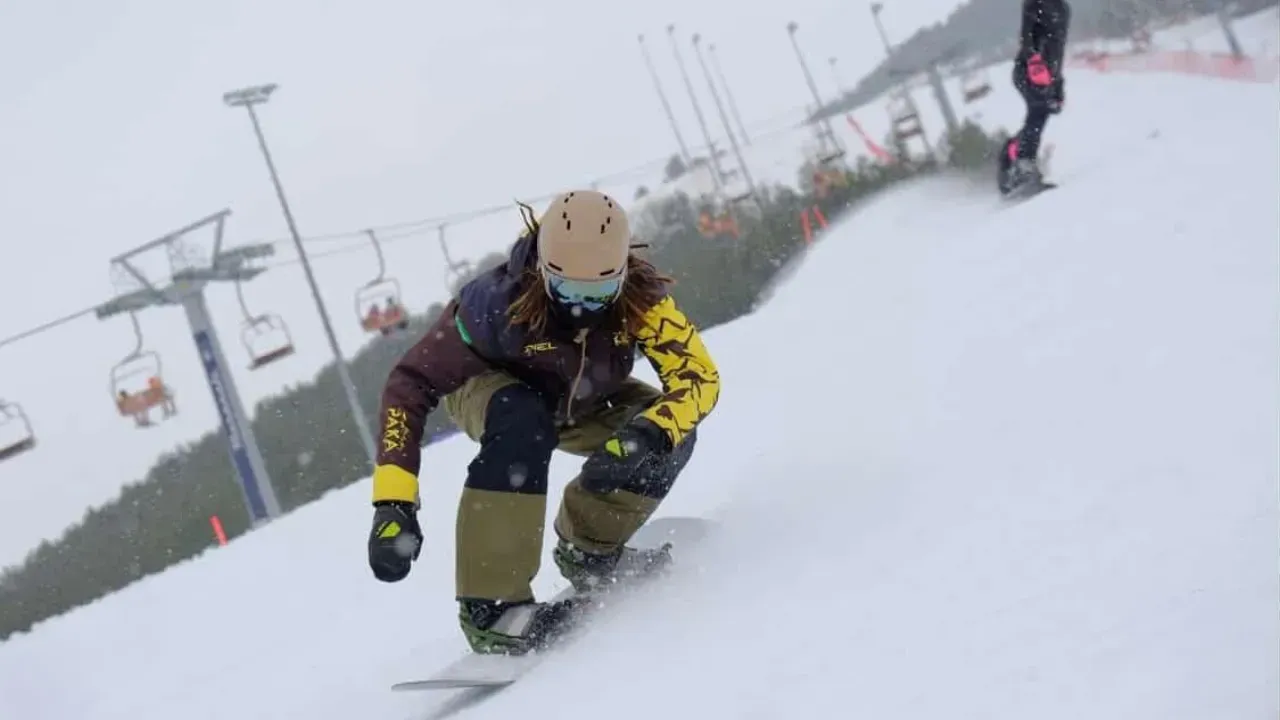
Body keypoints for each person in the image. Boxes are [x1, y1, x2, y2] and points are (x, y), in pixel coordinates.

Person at [365, 189, 721, 655]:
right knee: (523, 419)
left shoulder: (640, 301)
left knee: (670, 432)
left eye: (598, 294)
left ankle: (590, 547)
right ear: (544, 269)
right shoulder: (495, 303)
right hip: (492, 391)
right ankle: (491, 607)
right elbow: (410, 383)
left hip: (583, 396)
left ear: (621, 275)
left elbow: (697, 377)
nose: (580, 307)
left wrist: (647, 433)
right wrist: (393, 502)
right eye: (566, 290)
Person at [1000, 0, 1072, 195]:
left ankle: (1011, 156)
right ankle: (1022, 165)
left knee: (1041, 114)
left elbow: (1058, 52)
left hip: (1046, 75)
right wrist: (1034, 60)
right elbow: (1027, 36)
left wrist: (1058, 85)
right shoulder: (1035, 2)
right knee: (1039, 111)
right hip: (1027, 71)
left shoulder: (1063, 8)